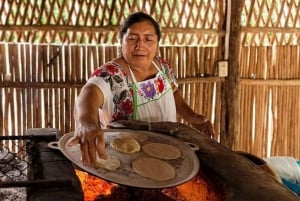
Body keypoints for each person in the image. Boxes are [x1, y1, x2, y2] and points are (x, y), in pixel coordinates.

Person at [67, 12, 214, 166]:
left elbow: (174, 93)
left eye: (148, 39)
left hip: (167, 153)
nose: (140, 45)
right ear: (121, 42)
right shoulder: (111, 74)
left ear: (157, 44)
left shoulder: (162, 66)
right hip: (125, 164)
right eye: (132, 39)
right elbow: (89, 92)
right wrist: (86, 121)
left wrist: (191, 116)